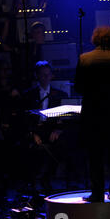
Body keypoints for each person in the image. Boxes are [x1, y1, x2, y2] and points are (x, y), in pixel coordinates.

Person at [74, 26, 110, 202]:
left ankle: (97, 193)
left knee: (95, 155)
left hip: (92, 114)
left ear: (95, 39)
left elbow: (78, 87)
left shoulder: (84, 59)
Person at [23, 60, 69, 193]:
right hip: (35, 129)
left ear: (51, 76)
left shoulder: (60, 95)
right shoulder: (28, 94)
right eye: (42, 75)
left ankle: (47, 177)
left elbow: (64, 117)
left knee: (61, 144)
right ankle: (31, 181)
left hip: (51, 129)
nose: (45, 78)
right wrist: (33, 133)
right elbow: (25, 117)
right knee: (28, 146)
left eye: (48, 75)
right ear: (37, 75)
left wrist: (58, 130)